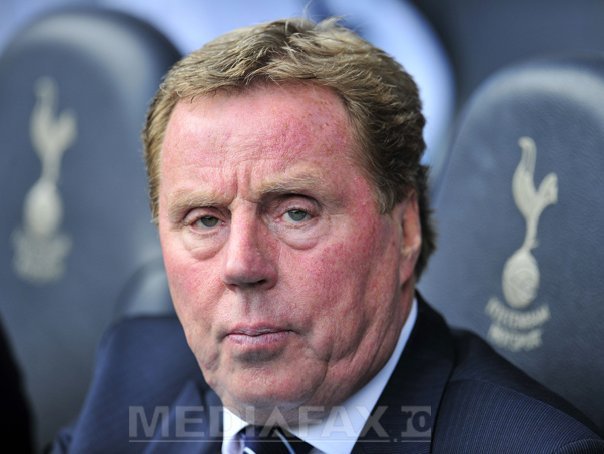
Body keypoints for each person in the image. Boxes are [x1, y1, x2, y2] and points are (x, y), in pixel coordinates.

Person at [52, 18, 603, 453]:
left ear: (405, 228)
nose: (241, 265)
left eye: (295, 213)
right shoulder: (135, 370)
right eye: (205, 220)